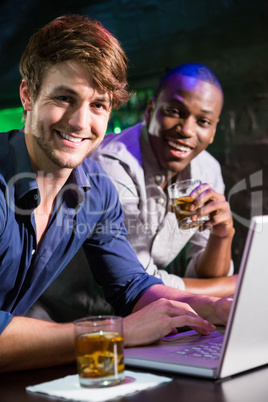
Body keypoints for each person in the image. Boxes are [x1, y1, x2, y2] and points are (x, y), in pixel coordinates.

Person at [0, 15, 232, 373]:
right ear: (28, 94)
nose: (80, 122)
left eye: (98, 105)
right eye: (64, 97)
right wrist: (117, 332)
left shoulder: (96, 188)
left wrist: (210, 307)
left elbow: (131, 284)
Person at [91, 62, 237, 297]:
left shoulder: (208, 170)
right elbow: (135, 279)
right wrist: (230, 287)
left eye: (203, 122)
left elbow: (206, 277)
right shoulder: (111, 163)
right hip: (73, 317)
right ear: (150, 110)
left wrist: (223, 234)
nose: (187, 130)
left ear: (213, 132)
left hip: (143, 315)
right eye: (175, 111)